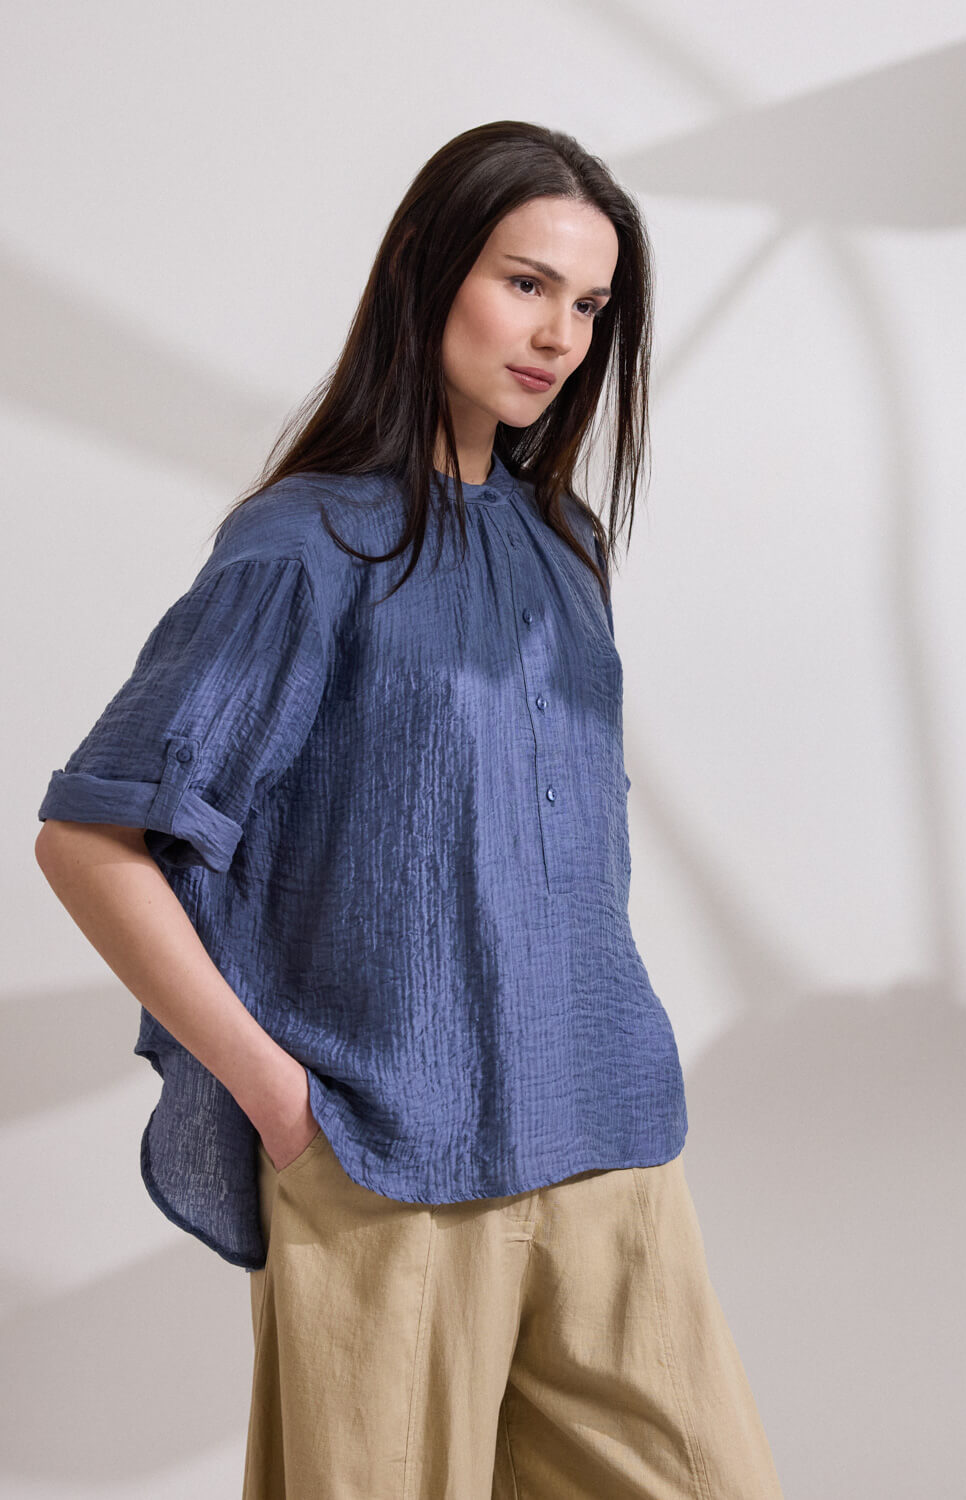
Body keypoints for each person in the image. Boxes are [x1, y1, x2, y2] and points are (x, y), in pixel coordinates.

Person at [35, 120, 785, 1500]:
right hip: (386, 1161)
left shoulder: (562, 544)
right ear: (429, 272)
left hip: (608, 1138)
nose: (559, 335)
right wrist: (278, 1098)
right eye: (525, 282)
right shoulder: (307, 545)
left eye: (590, 305)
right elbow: (90, 840)